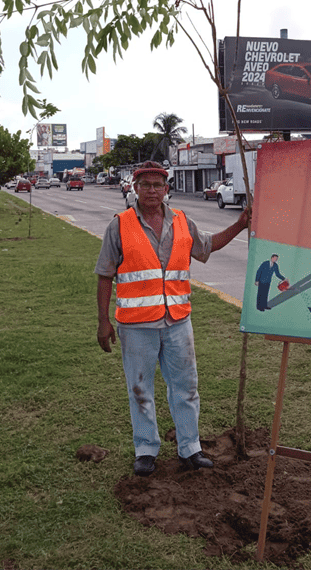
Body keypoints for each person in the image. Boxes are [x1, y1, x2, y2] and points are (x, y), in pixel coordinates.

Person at [96, 160, 249, 477]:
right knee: (140, 389)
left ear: (167, 190)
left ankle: (190, 448)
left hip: (178, 322)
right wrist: (103, 321)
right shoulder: (120, 225)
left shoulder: (182, 222)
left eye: (157, 185)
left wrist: (240, 225)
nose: (152, 190)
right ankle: (146, 450)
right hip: (136, 326)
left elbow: (207, 246)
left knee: (186, 387)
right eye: (145, 184)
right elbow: (104, 275)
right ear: (135, 188)